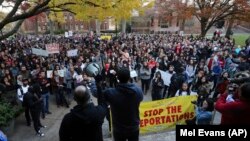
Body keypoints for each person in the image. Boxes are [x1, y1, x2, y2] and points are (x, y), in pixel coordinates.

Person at [102, 68, 143, 141]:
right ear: (129, 77)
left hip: (119, 128)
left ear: (117, 78)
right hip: (133, 127)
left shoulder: (110, 93)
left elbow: (100, 96)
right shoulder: (138, 91)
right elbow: (140, 98)